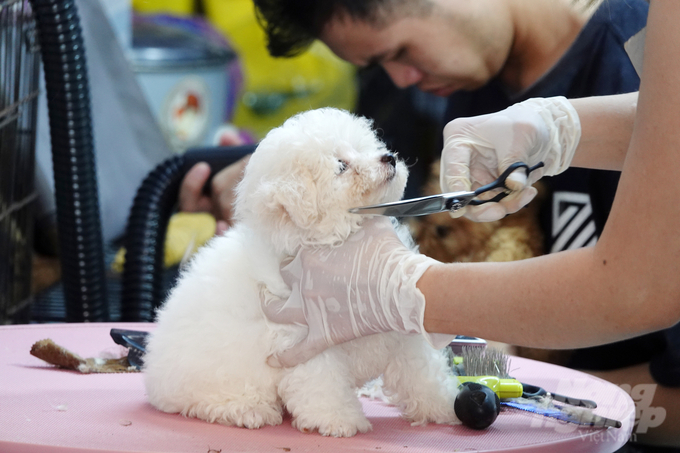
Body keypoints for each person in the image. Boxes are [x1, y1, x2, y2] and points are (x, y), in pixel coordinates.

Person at [248, 0, 680, 447]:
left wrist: (406, 291)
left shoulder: (632, 48)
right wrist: (562, 129)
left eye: (398, 52)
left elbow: (642, 285)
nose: (402, 81)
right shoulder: (476, 91)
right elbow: (664, 127)